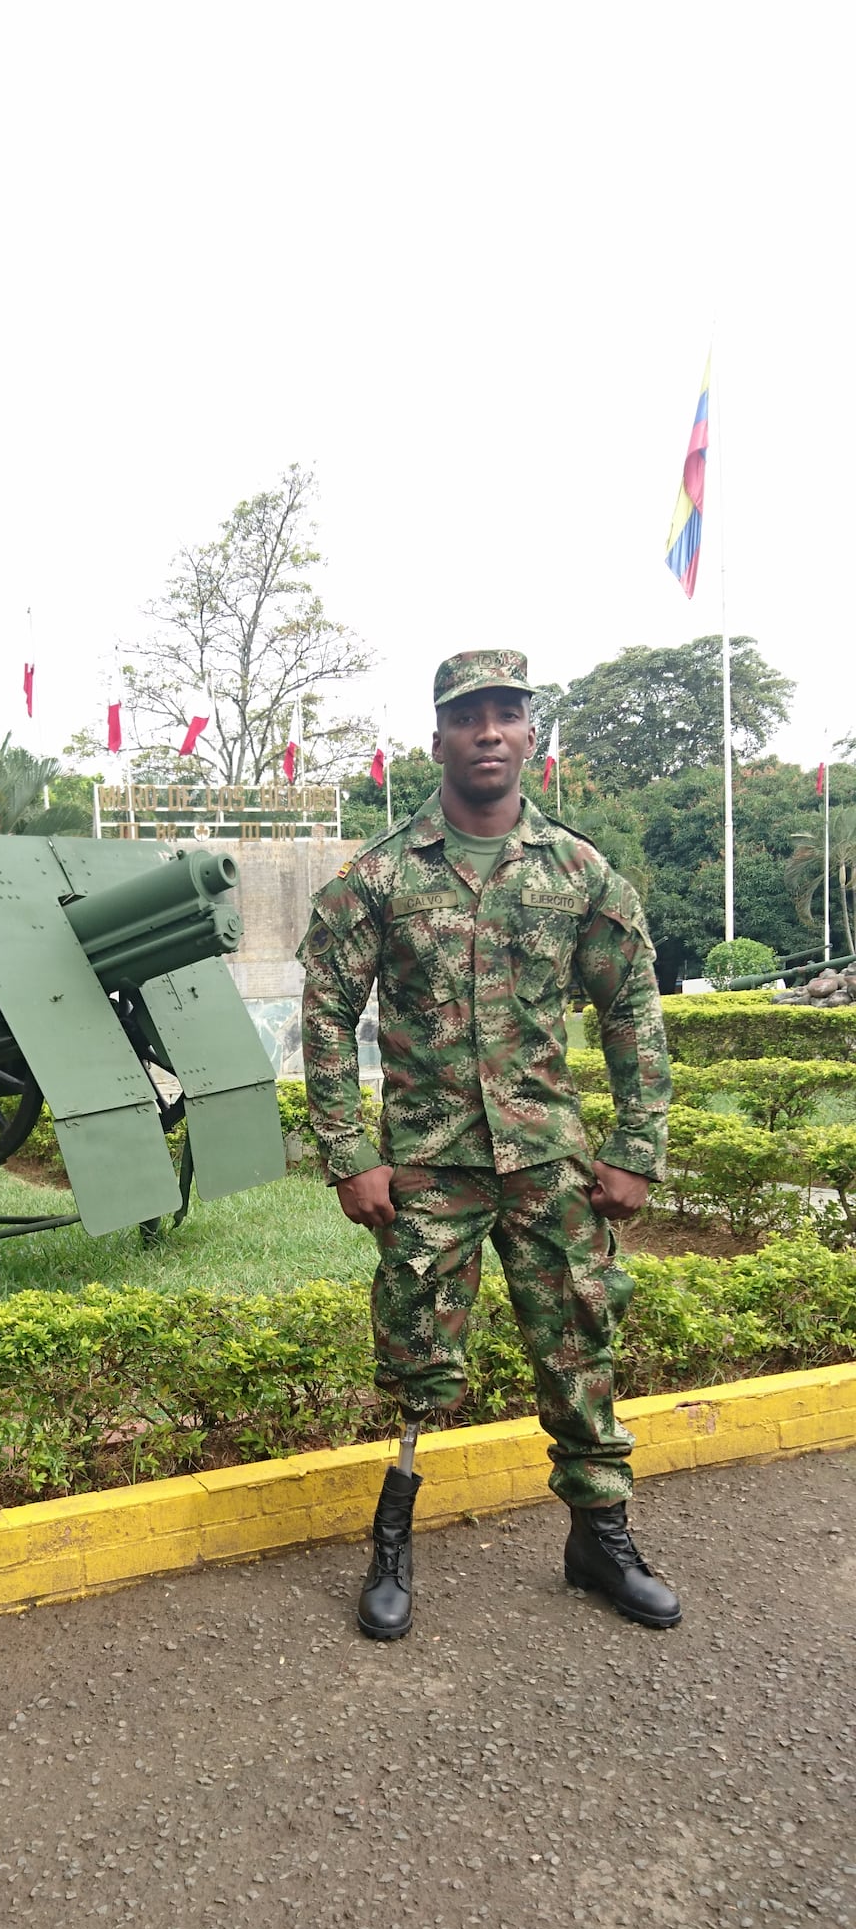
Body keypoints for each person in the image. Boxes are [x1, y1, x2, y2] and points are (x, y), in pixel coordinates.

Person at [299, 649, 680, 1639]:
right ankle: (392, 1544)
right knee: (416, 1352)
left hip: (547, 1159)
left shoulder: (576, 871)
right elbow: (326, 1014)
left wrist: (636, 1142)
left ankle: (600, 1536)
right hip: (427, 1162)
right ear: (437, 739)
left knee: (578, 1341)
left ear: (527, 736)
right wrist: (348, 1151)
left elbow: (631, 1002)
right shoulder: (376, 877)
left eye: (506, 714)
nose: (487, 732)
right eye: (467, 716)